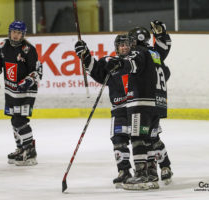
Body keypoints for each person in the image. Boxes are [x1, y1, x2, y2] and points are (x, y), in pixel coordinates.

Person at [74, 34, 133, 189]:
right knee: (118, 139)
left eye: (127, 44)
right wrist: (85, 55)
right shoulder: (110, 62)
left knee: (143, 141)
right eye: (121, 45)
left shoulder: (138, 61)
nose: (124, 47)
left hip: (137, 107)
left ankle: (150, 170)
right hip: (119, 109)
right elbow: (96, 71)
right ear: (116, 48)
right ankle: (124, 171)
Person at [0, 21, 42, 166]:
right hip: (11, 90)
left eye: (19, 33)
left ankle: (30, 152)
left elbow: (37, 71)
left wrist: (28, 81)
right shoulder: (2, 46)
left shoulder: (28, 49)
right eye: (13, 32)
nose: (16, 35)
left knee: (20, 120)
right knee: (14, 120)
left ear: (23, 35)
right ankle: (21, 148)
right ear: (9, 32)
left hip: (26, 91)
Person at [126, 23, 173, 188]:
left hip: (141, 102)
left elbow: (130, 63)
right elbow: (166, 72)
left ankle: (141, 175)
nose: (129, 44)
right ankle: (153, 174)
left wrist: (116, 65)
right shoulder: (154, 54)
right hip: (157, 104)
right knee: (150, 138)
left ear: (137, 40)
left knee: (138, 137)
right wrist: (162, 35)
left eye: (131, 40)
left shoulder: (138, 52)